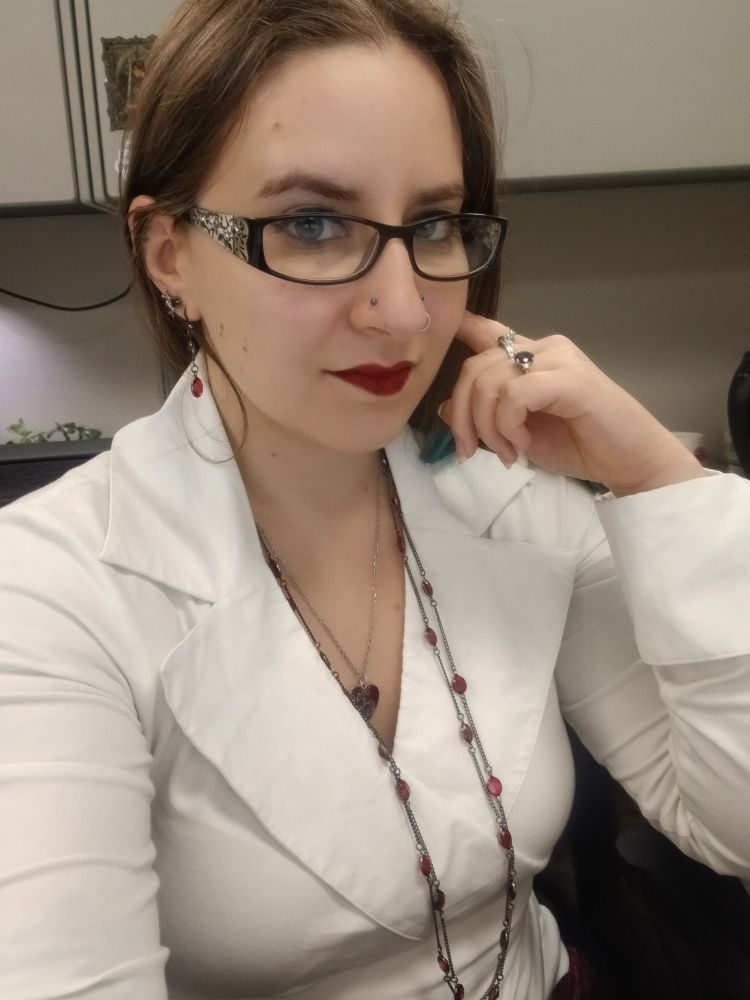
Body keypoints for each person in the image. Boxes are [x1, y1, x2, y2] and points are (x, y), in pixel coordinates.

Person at [1, 1, 748, 998]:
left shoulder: (510, 499)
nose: (404, 311)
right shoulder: (49, 595)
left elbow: (733, 820)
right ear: (170, 253)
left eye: (434, 224)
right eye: (311, 223)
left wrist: (655, 475)